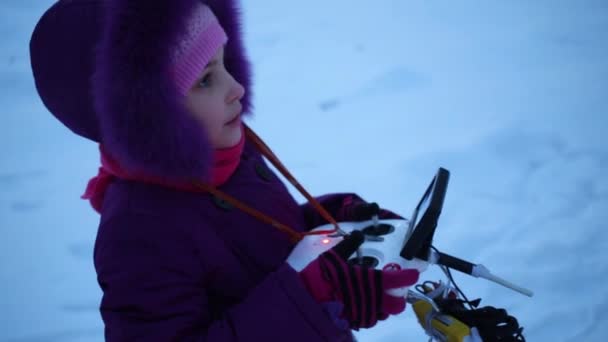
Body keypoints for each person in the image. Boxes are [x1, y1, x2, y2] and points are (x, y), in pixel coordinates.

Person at [29, 0, 419, 340]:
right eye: (205, 79)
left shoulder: (229, 153)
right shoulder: (139, 231)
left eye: (225, 63)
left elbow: (248, 246)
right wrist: (312, 297)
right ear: (151, 118)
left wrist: (330, 223)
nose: (236, 88)